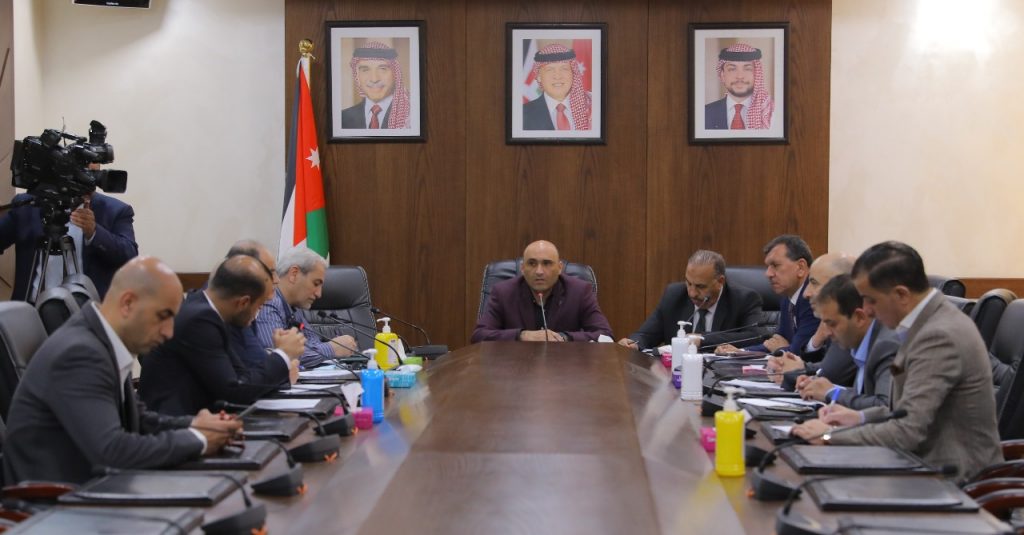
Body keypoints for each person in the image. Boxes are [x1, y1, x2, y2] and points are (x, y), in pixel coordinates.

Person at [2, 256, 241, 484]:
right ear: (127, 303)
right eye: (163, 316)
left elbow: (139, 420)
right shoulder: (80, 353)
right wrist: (198, 440)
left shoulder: (102, 339)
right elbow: (112, 452)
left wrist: (196, 425)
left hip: (89, 489)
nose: (169, 332)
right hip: (56, 503)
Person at [792, 241, 1002, 481]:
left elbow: (908, 431)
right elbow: (903, 410)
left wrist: (830, 435)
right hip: (919, 465)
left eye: (870, 300)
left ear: (901, 294)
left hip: (952, 480)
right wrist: (860, 418)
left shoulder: (938, 336)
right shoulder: (922, 324)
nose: (866, 310)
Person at [139, 255, 298, 416]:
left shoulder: (209, 312)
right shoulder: (200, 320)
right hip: (174, 423)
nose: (258, 313)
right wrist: (283, 355)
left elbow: (241, 377)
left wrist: (280, 362)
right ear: (243, 303)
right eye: (260, 306)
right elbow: (233, 391)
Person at [0, 188, 137, 300]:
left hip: (84, 313)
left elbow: (129, 255)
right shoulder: (28, 204)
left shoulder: (115, 210)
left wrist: (94, 232)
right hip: (31, 312)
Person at [618, 249, 763, 351]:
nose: (692, 293)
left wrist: (702, 339)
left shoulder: (744, 299)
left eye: (700, 286)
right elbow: (646, 334)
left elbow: (755, 336)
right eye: (688, 283)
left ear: (720, 282)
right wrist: (635, 343)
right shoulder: (674, 295)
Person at [472, 240, 612, 342]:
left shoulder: (580, 291)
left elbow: (605, 335)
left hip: (565, 367)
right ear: (522, 268)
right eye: (532, 263)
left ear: (560, 268)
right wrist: (521, 335)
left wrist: (564, 337)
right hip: (516, 366)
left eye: (547, 263)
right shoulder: (503, 292)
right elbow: (479, 335)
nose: (539, 271)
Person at [793, 274, 898, 409]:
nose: (828, 333)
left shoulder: (886, 345)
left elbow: (884, 406)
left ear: (859, 318)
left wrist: (832, 393)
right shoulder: (863, 340)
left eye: (832, 324)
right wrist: (821, 387)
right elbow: (864, 394)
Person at [254, 246, 357, 368]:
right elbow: (280, 357)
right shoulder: (269, 304)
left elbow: (312, 342)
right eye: (316, 283)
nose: (319, 294)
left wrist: (329, 348)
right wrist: (332, 348)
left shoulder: (294, 306)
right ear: (294, 274)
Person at [716, 235, 818, 356]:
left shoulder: (813, 299)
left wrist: (781, 349)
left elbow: (800, 350)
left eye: (775, 265)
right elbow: (775, 342)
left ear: (800, 267)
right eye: (768, 266)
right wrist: (740, 352)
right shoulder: (787, 297)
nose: (768, 273)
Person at [768, 253, 858, 388]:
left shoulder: (852, 322)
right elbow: (827, 365)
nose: (806, 293)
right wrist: (801, 367)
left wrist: (794, 373)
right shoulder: (837, 317)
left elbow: (830, 374)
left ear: (842, 285)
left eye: (814, 283)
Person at [222, 239, 305, 372]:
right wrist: (283, 357)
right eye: (271, 272)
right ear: (247, 271)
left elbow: (256, 362)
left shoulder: (244, 309)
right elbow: (242, 379)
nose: (277, 280)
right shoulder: (212, 316)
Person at [340, 41, 411, 129]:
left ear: (395, 74)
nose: (374, 79)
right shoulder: (342, 118)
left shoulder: (411, 116)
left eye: (383, 69)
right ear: (357, 76)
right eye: (365, 70)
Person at [704, 43, 775, 130]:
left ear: (757, 74)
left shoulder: (772, 113)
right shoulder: (704, 114)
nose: (740, 76)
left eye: (747, 69)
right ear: (722, 76)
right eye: (732, 69)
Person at [523, 44, 592, 131]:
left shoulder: (591, 108)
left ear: (573, 73)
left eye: (564, 69)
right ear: (539, 76)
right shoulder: (522, 114)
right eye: (550, 69)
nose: (557, 76)